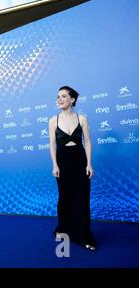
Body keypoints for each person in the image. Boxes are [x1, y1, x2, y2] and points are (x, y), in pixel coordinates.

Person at [48, 86, 96, 251]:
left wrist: (89, 164)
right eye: (58, 96)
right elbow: (52, 144)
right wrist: (54, 165)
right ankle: (63, 229)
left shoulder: (81, 118)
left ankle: (84, 235)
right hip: (62, 160)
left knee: (82, 197)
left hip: (79, 159)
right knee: (65, 197)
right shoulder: (53, 120)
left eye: (63, 96)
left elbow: (87, 142)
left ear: (72, 99)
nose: (59, 99)